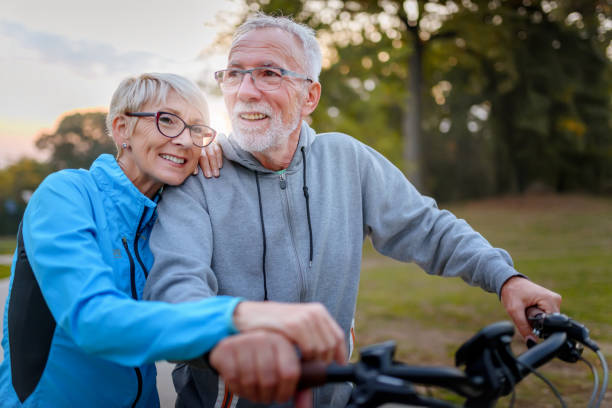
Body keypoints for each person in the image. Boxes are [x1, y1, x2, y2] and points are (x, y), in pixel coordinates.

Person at [144, 13, 562, 408]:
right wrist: (231, 341)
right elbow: (175, 290)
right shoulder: (197, 179)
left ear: (309, 95)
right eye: (235, 73)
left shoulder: (346, 158)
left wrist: (507, 279)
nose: (246, 90)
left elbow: (428, 228)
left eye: (269, 73)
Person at [0, 72, 345, 407]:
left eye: (197, 129)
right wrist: (238, 316)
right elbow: (93, 321)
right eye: (167, 120)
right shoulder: (65, 194)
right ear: (122, 129)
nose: (183, 139)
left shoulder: (171, 213)